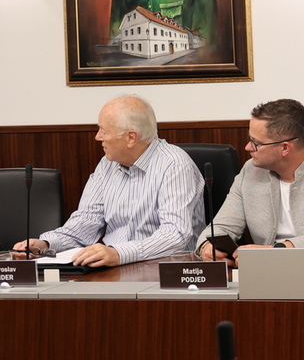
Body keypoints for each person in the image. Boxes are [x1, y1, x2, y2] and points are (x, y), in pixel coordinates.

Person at [11, 96, 204, 267]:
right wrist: (46, 244)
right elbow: (87, 220)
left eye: (103, 130)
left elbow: (175, 235)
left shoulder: (175, 165)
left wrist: (119, 253)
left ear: (131, 138)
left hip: (167, 270)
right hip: (115, 267)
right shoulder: (107, 164)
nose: (98, 137)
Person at [198, 99, 304, 265]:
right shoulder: (251, 171)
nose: (248, 148)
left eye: (256, 143)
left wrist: (279, 250)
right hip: (268, 270)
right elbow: (222, 226)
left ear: (284, 148)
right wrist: (206, 246)